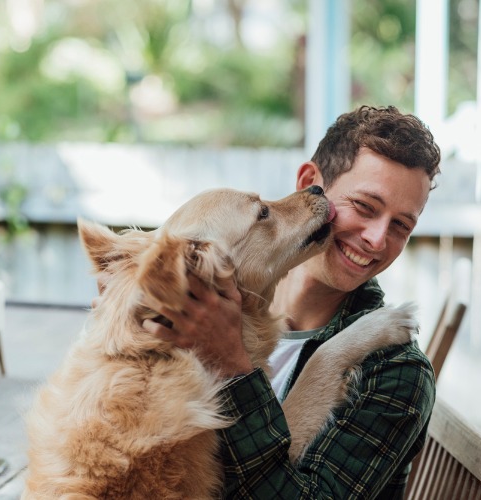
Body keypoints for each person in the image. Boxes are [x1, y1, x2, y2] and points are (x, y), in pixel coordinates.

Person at [142, 105, 441, 499]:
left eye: (401, 225)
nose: (377, 239)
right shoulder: (202, 309)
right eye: (365, 207)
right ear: (310, 183)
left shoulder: (394, 371)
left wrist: (232, 363)